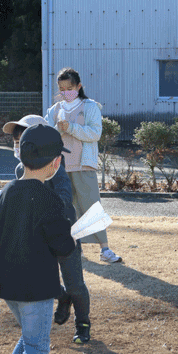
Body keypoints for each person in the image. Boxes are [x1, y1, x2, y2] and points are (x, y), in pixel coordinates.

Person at [0, 124, 77, 354]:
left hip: (7, 283)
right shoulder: (51, 199)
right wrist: (73, 239)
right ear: (56, 162)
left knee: (29, 341)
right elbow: (63, 247)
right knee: (37, 348)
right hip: (37, 287)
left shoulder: (7, 191)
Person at [3, 115, 92, 345]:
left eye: (21, 138)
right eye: (15, 139)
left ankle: (83, 323)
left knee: (75, 283)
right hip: (39, 236)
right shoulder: (19, 169)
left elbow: (63, 196)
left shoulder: (55, 165)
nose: (17, 144)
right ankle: (63, 298)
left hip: (64, 233)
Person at [45, 67, 122, 264]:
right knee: (64, 209)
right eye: (62, 89)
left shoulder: (90, 107)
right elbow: (47, 136)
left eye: (69, 88)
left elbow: (94, 134)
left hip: (83, 165)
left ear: (79, 86)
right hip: (59, 167)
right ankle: (71, 248)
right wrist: (58, 129)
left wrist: (70, 128)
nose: (65, 92)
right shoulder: (54, 110)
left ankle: (104, 249)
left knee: (91, 207)